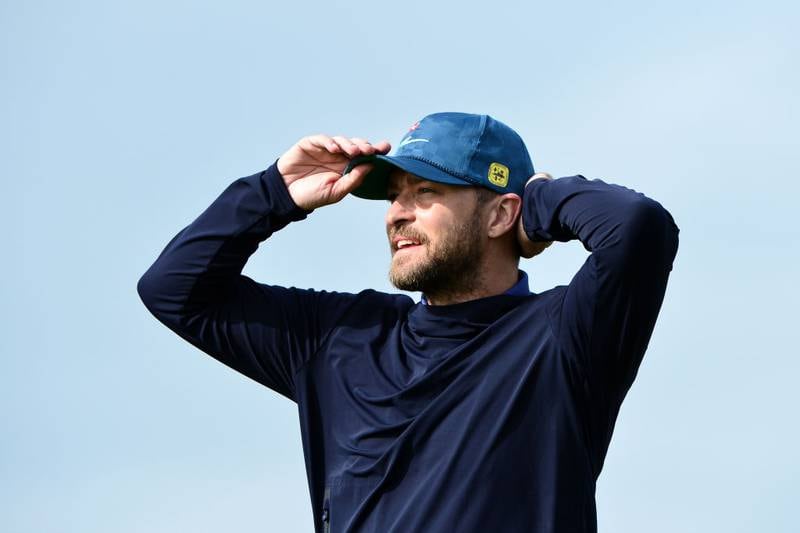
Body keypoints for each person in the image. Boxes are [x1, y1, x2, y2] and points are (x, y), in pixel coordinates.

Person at [137, 112, 679, 532]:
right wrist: (274, 193)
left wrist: (536, 202)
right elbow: (176, 290)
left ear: (498, 215)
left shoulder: (563, 338)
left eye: (426, 193)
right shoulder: (341, 337)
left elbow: (636, 228)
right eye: (395, 195)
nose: (397, 213)